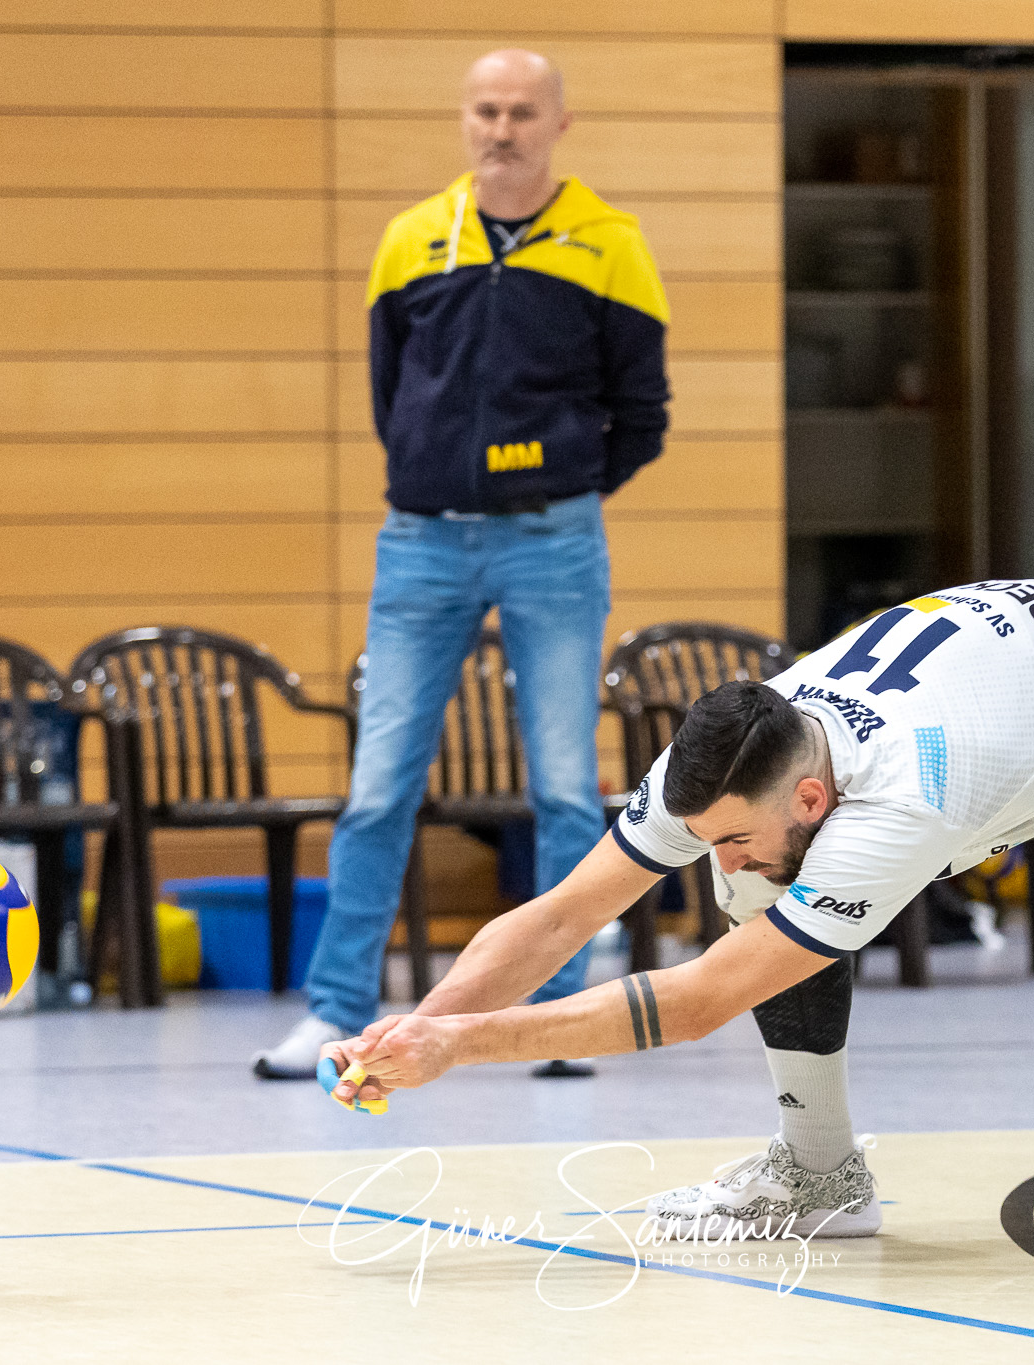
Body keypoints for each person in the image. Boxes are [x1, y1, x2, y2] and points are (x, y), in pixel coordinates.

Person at [323, 580, 1034, 1288]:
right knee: (757, 900)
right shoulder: (722, 758)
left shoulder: (898, 793)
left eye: (733, 833)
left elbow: (701, 999)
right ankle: (819, 1177)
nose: (712, 850)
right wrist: (413, 1029)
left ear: (810, 799)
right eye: (701, 832)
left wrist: (463, 1051)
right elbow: (564, 913)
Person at [254, 49, 670, 1078]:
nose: (501, 129)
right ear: (463, 120)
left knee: (567, 789)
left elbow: (642, 413)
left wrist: (557, 483)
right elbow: (388, 394)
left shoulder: (611, 245)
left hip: (553, 541)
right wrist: (439, 477)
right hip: (421, 542)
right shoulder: (408, 241)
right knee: (377, 785)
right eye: (485, 110)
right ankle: (335, 1008)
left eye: (522, 112)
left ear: (558, 125)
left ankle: (565, 1018)